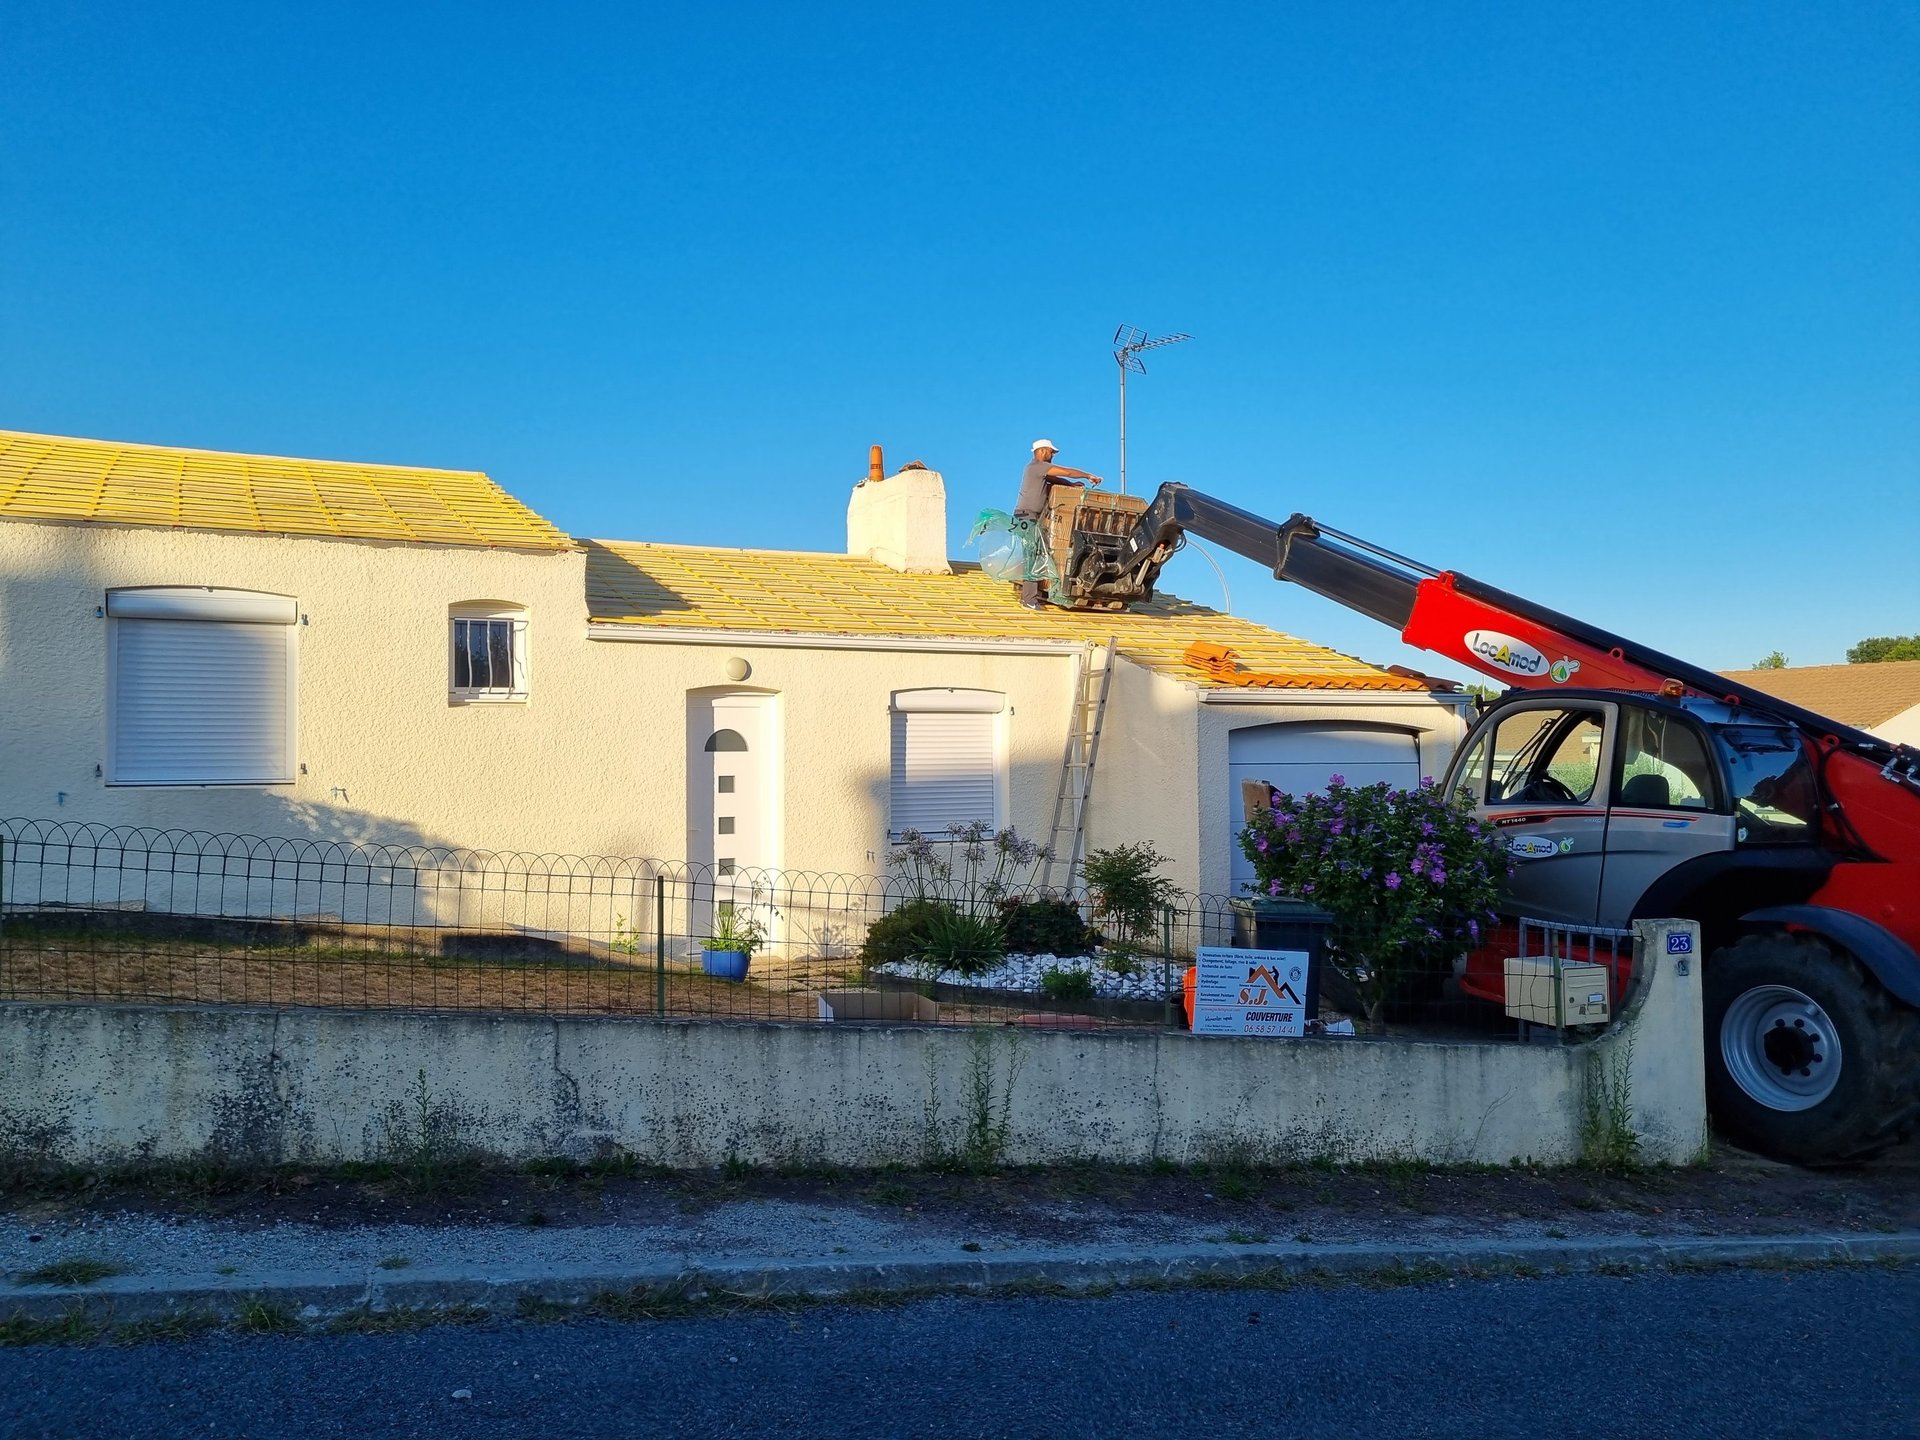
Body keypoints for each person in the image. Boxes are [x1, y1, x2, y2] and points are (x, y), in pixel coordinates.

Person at [1013, 438, 1102, 609]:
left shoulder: (1037, 471)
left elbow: (1055, 480)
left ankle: (1035, 592)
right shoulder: (1037, 466)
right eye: (1051, 451)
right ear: (1042, 451)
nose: (1052, 455)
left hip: (1030, 516)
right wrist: (1088, 475)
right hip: (1027, 516)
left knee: (1038, 552)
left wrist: (1071, 485)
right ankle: (1028, 599)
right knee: (1033, 554)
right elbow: (1065, 472)